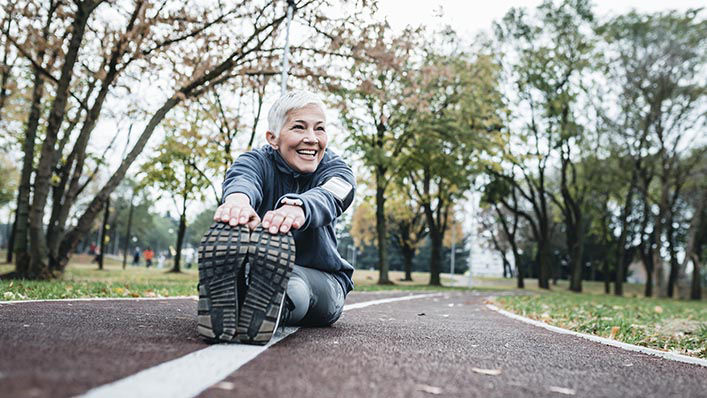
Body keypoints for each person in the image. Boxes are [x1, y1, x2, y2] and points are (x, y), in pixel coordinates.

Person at [197, 90, 356, 345]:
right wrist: (238, 202)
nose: (311, 139)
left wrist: (299, 207)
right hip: (258, 267)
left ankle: (259, 310)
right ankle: (231, 299)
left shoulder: (335, 169)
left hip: (322, 280)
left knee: (292, 285)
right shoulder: (256, 161)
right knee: (257, 271)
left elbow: (334, 194)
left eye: (320, 129)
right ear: (272, 137)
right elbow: (242, 178)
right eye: (299, 128)